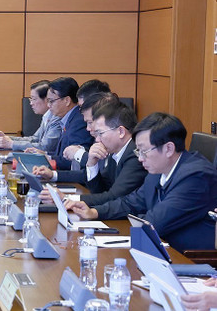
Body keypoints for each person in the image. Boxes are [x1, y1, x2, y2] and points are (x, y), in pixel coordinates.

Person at [64, 112, 217, 252]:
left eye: (144, 151)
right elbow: (132, 202)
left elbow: (155, 222)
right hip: (163, 248)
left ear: (169, 149)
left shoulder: (196, 176)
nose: (140, 158)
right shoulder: (158, 169)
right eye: (138, 151)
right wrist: (95, 212)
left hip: (191, 260)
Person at [38, 100, 146, 207]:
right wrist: (91, 164)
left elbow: (114, 197)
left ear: (121, 132)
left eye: (100, 133)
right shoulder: (116, 153)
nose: (98, 139)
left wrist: (66, 199)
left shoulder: (135, 155)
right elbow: (99, 191)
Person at [32, 92, 118, 182]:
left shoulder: (124, 150)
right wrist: (52, 175)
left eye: (90, 122)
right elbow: (88, 174)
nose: (88, 128)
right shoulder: (99, 140)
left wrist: (78, 154)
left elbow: (104, 182)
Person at [0, 80, 60, 154]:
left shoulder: (56, 118)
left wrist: (11, 144)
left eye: (34, 99)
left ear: (47, 100)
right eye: (31, 99)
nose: (31, 103)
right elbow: (34, 139)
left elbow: (44, 147)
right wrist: (8, 138)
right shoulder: (46, 116)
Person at [44, 77, 94, 170]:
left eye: (51, 101)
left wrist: (46, 159)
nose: (48, 105)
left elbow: (74, 160)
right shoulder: (69, 118)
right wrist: (44, 155)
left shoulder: (80, 121)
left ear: (67, 100)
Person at [62, 79, 113, 164]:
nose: (80, 111)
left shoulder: (110, 128)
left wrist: (78, 153)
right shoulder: (90, 122)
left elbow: (101, 162)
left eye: (83, 106)